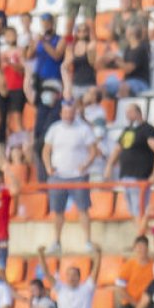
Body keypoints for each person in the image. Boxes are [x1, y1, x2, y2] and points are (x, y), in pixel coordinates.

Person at [42, 100, 98, 252]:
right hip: (58, 175)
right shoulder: (55, 129)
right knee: (57, 210)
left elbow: (93, 150)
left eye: (71, 112)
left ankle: (88, 241)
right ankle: (57, 241)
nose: (68, 115)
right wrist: (48, 166)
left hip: (78, 176)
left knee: (83, 209)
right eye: (66, 112)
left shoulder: (83, 129)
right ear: (61, 113)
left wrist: (85, 165)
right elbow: (46, 151)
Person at [104, 103, 154, 222]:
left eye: (130, 112)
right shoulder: (128, 130)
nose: (127, 116)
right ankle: (139, 233)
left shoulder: (148, 129)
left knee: (139, 208)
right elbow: (118, 149)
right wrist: (109, 166)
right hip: (126, 175)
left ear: (138, 112)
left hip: (140, 176)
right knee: (133, 210)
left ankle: (141, 234)